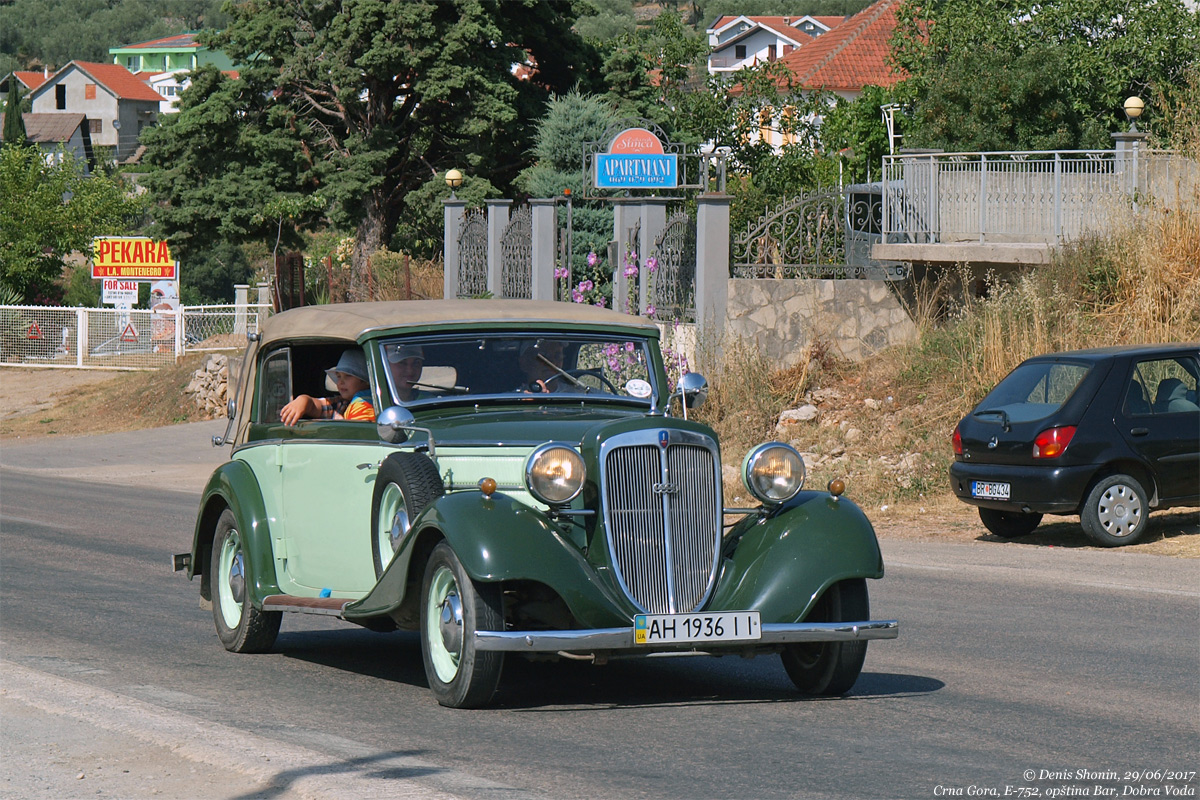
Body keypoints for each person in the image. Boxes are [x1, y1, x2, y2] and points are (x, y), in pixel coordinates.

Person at [280, 349, 376, 424]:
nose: (341, 382)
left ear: (366, 381)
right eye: (338, 376)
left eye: (348, 376)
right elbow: (315, 406)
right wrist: (303, 400)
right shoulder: (340, 404)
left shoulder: (378, 404)